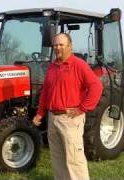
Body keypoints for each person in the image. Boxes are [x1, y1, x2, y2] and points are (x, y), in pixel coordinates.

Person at [32, 33, 103, 180]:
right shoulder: (52, 67)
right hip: (53, 118)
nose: (57, 48)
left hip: (70, 119)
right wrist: (40, 113)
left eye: (61, 45)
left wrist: (82, 108)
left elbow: (96, 86)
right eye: (55, 45)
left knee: (74, 160)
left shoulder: (78, 65)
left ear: (69, 46)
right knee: (58, 159)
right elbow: (46, 91)